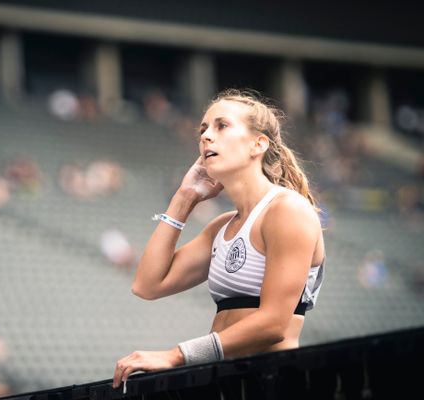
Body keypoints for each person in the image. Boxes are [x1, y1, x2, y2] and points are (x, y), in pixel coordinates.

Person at [112, 89, 325, 388]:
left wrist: (177, 356)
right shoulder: (221, 226)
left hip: (274, 383)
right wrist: (184, 199)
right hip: (226, 382)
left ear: (258, 144)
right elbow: (147, 285)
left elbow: (275, 324)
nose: (205, 137)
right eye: (203, 129)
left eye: (221, 126)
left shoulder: (287, 209)